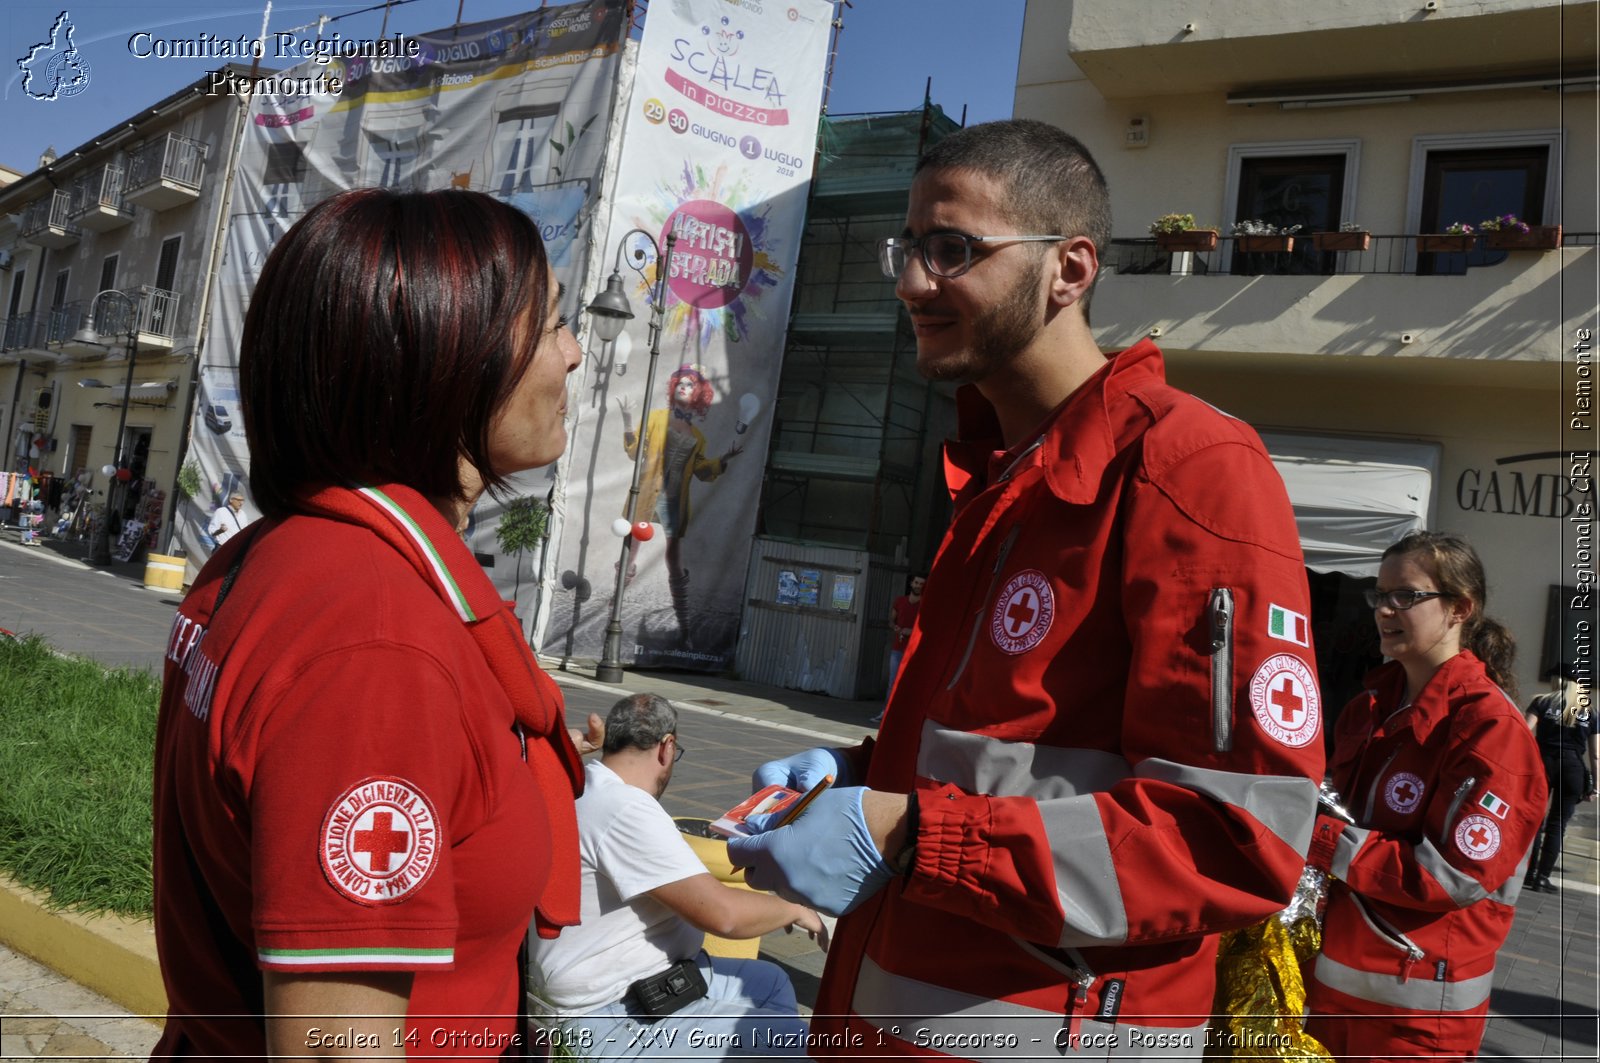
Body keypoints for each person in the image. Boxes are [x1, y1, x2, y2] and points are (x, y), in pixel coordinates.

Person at [726, 119, 1326, 1059]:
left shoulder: (1189, 467)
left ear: (1071, 269)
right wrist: (863, 773)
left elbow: (1236, 835)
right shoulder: (1003, 478)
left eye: (953, 249)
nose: (912, 283)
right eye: (910, 247)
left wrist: (914, 834)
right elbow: (1021, 755)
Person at [151, 188, 588, 1059]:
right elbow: (333, 1046)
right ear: (441, 354)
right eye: (550, 327)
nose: (573, 355)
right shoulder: (374, 639)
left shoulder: (283, 553)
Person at [1303, 531, 1546, 1061]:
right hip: (1330, 991)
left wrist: (1316, 839)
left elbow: (1449, 874)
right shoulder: (1369, 705)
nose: (1385, 609)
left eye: (1406, 596)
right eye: (1379, 594)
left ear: (1460, 608)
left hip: (1416, 1016)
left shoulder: (1490, 730)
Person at [529, 693, 821, 1058]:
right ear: (666, 747)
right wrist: (793, 908)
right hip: (608, 1011)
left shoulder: (585, 784)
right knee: (789, 1037)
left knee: (770, 981)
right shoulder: (625, 807)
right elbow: (723, 916)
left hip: (640, 983)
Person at [616, 363, 742, 641]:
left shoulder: (697, 436)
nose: (685, 388)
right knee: (631, 551)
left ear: (699, 394)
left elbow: (701, 470)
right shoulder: (655, 418)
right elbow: (635, 451)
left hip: (674, 501)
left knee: (674, 561)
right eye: (681, 384)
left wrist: (723, 460)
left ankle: (684, 628)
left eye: (691, 385)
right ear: (674, 389)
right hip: (648, 493)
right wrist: (627, 422)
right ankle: (613, 613)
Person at [1523, 661, 1598, 893]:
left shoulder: (1541, 702)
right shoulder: (1590, 712)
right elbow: (1596, 755)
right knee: (1558, 824)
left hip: (1542, 764)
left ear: (1557, 681)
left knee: (1535, 820)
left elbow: (1525, 733)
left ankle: (1529, 872)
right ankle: (1542, 877)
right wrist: (1595, 786)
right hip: (1573, 768)